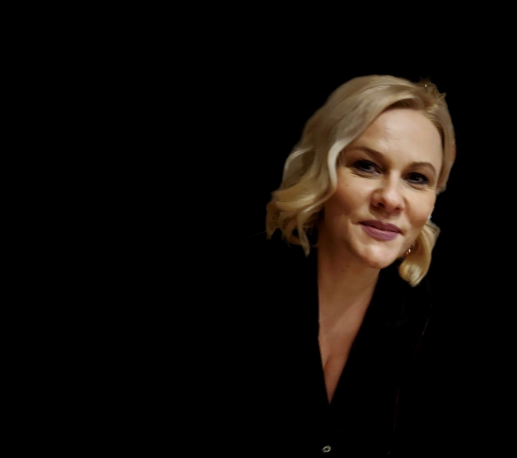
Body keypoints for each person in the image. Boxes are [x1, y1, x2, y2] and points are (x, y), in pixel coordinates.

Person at [191, 74, 456, 456]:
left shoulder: (419, 309)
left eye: (417, 178)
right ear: (323, 172)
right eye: (366, 166)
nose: (390, 198)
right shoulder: (232, 284)